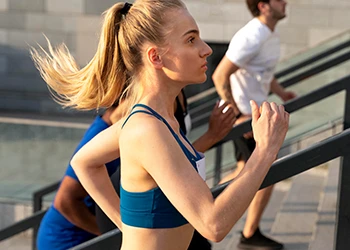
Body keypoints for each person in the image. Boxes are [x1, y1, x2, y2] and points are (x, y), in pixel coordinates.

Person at [31, 1, 290, 250]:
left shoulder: (157, 120)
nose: (206, 49)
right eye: (191, 40)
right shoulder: (147, 128)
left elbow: (84, 162)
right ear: (156, 57)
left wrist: (125, 226)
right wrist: (265, 151)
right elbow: (214, 225)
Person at [95, 89, 236, 250]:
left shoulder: (173, 96)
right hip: (134, 198)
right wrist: (211, 136)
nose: (204, 61)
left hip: (166, 193)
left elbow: (174, 156)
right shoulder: (151, 109)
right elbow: (167, 157)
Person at [212, 0, 296, 249]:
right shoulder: (251, 35)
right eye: (279, 0)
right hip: (246, 119)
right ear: (263, 6)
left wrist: (281, 93)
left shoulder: (269, 33)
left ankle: (246, 231)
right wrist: (237, 115)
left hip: (255, 116)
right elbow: (220, 74)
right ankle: (245, 233)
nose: (285, 2)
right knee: (264, 172)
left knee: (245, 172)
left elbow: (263, 73)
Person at [35, 104, 126, 250]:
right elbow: (65, 202)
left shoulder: (116, 131)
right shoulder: (100, 134)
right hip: (66, 240)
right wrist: (108, 234)